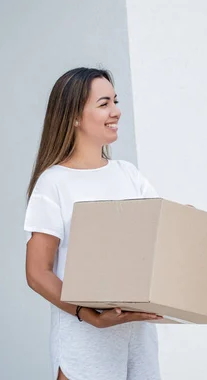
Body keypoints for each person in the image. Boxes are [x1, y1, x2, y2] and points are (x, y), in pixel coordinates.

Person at [24, 68, 162, 380]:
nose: (116, 111)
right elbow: (37, 272)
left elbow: (159, 238)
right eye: (104, 104)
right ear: (74, 116)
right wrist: (89, 315)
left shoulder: (128, 174)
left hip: (137, 341)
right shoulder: (54, 183)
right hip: (83, 344)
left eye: (115, 101)